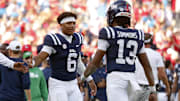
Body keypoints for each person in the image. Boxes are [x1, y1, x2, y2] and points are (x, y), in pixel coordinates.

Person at [81, 1, 155, 101]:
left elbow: (95, 63)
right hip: (132, 80)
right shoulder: (138, 35)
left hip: (116, 79)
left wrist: (83, 77)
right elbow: (147, 66)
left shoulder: (108, 32)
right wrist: (152, 87)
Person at [32, 12, 97, 101]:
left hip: (73, 83)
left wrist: (89, 79)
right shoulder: (54, 40)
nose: (72, 26)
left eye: (74, 23)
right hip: (58, 84)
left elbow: (78, 63)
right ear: (61, 25)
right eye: (68, 23)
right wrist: (30, 64)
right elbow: (40, 57)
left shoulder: (78, 38)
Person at [135, 33, 170, 101]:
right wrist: (167, 86)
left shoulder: (135, 53)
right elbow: (162, 74)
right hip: (151, 88)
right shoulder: (156, 55)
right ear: (151, 42)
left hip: (137, 87)